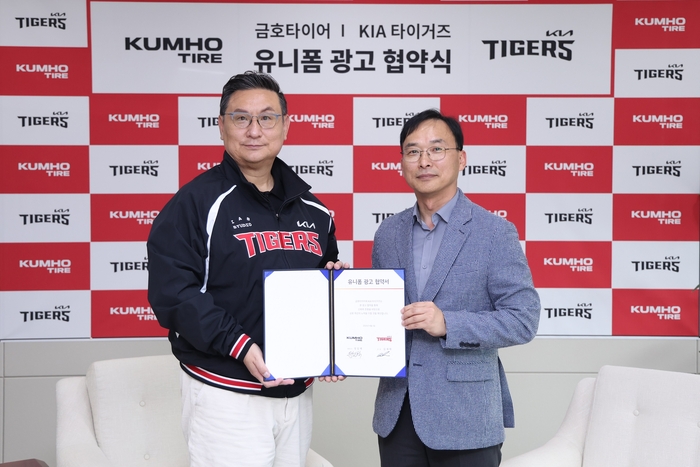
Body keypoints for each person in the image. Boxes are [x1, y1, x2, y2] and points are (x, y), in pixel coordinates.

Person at [147, 71, 346, 467]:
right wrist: (240, 344)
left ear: (285, 126)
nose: (255, 130)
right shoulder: (196, 203)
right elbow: (173, 293)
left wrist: (333, 333)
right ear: (222, 127)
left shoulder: (315, 211)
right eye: (241, 118)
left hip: (296, 395)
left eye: (267, 118)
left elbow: (321, 282)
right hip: (227, 394)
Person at [371, 109, 541, 467]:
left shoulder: (494, 232)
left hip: (466, 417)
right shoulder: (388, 233)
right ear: (402, 163)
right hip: (398, 414)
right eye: (413, 151)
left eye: (437, 149)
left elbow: (523, 319)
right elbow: (376, 313)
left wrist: (448, 323)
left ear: (461, 158)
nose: (424, 161)